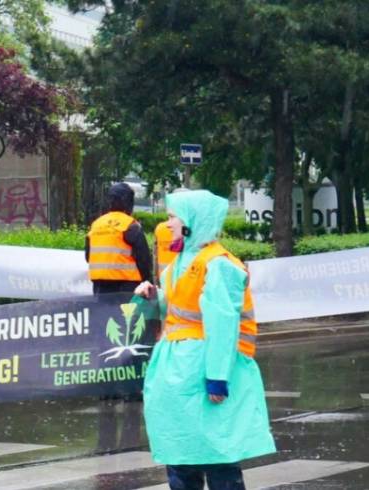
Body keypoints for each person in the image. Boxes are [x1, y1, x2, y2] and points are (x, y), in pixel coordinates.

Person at [134, 190, 274, 489]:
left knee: (216, 454)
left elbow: (223, 326)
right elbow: (176, 308)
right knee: (182, 454)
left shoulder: (218, 264)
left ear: (193, 221)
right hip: (178, 371)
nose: (168, 224)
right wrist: (151, 298)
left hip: (201, 369)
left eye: (174, 217)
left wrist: (217, 378)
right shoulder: (181, 261)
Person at [88, 183, 155, 295]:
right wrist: (147, 281)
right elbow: (143, 259)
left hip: (100, 286)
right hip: (127, 286)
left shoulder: (96, 225)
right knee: (125, 313)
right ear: (129, 203)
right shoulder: (130, 225)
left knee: (103, 313)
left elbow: (88, 255)